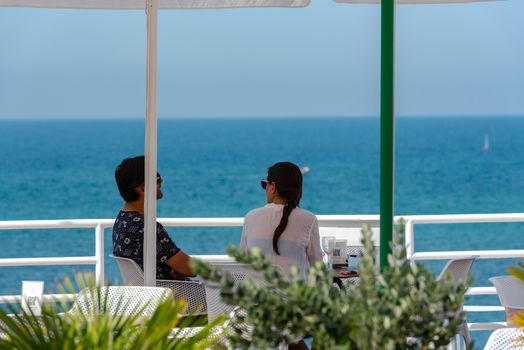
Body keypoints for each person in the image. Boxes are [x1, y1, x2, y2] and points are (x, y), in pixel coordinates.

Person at [112, 155, 194, 280]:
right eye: (157, 179)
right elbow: (190, 268)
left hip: (145, 295)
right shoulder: (146, 227)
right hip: (171, 295)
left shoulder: (122, 220)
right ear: (142, 189)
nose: (162, 182)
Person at [240, 161, 324, 278]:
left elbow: (243, 260)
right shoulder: (309, 219)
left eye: (265, 185)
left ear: (273, 187)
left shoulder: (250, 217)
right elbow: (317, 265)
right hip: (292, 295)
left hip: (257, 295)